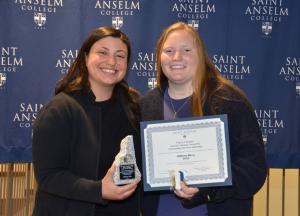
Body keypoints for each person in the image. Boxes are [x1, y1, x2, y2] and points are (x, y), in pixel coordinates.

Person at [140, 22, 267, 216]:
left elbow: (253, 169)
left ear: (201, 55)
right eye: (169, 50)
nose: (177, 57)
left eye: (187, 50)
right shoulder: (147, 104)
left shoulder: (228, 100)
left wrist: (208, 191)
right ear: (159, 57)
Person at [32, 26, 142, 216]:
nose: (112, 61)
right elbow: (49, 176)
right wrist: (99, 190)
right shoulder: (59, 110)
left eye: (120, 55)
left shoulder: (134, 107)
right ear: (85, 57)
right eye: (102, 52)